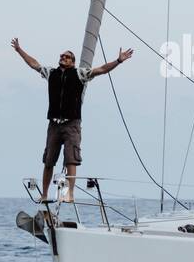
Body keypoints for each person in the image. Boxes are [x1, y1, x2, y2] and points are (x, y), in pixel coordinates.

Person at [11, 38, 133, 203]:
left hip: (72, 124)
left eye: (67, 56)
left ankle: (70, 194)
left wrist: (119, 60)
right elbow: (34, 64)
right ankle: (45, 194)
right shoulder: (51, 73)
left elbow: (102, 69)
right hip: (54, 124)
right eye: (61, 56)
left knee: (71, 159)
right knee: (48, 161)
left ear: (73, 62)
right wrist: (19, 50)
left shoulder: (80, 73)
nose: (63, 57)